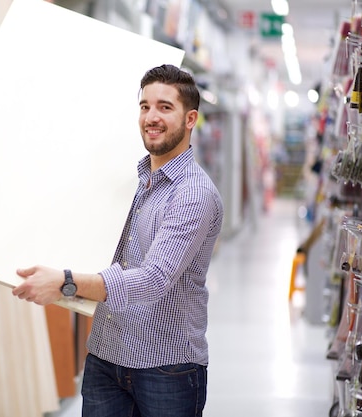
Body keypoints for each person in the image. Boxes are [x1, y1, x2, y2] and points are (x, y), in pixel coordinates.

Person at [12, 64, 224, 417]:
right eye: (144, 106)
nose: (151, 117)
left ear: (190, 120)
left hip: (165, 367)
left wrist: (65, 282)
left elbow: (152, 279)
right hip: (107, 355)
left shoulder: (194, 194)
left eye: (164, 107)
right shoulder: (134, 181)